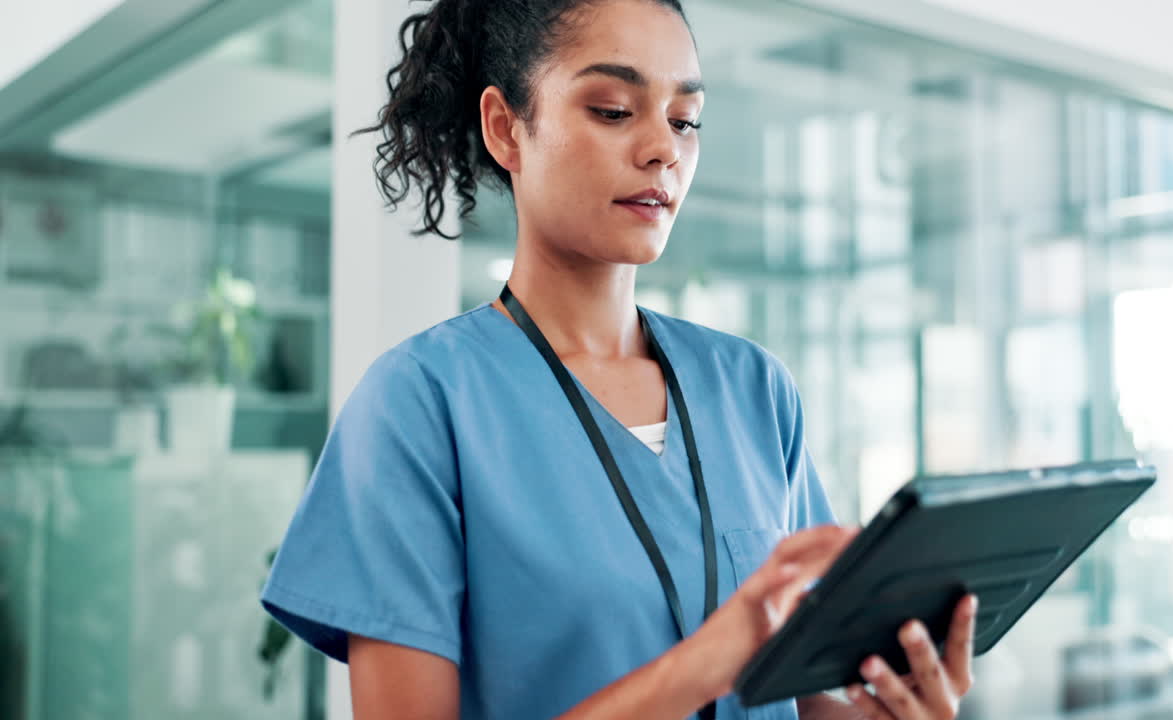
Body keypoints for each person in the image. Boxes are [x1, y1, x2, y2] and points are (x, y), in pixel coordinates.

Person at [260, 0, 979, 718]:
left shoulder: (754, 390)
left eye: (685, 119)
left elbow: (802, 699)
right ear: (505, 127)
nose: (664, 148)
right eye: (612, 110)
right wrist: (697, 668)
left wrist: (890, 710)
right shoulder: (419, 405)